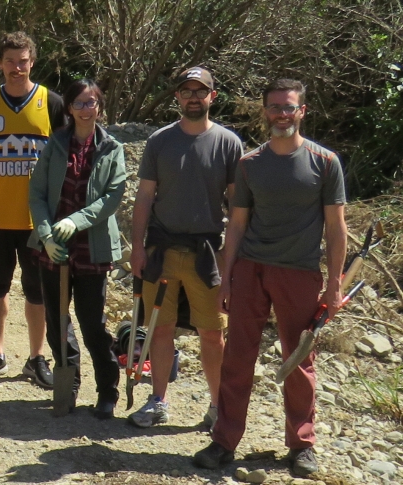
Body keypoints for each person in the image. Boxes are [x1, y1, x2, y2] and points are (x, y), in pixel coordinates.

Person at [194, 79, 346, 476]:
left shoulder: (324, 163)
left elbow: (336, 228)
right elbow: (238, 225)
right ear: (265, 112)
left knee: (298, 360)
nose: (282, 113)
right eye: (275, 107)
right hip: (250, 269)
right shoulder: (249, 164)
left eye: (289, 106)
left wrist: (334, 283)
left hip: (299, 273)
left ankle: (301, 446)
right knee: (237, 358)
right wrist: (226, 279)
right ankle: (224, 441)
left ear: (302, 111)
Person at [128, 66, 243, 428]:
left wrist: (231, 259)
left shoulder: (229, 143)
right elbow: (144, 197)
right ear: (177, 96)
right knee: (160, 330)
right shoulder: (159, 141)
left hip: (207, 253)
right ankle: (158, 400)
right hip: (160, 249)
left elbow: (238, 207)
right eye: (186, 91)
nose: (193, 97)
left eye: (200, 91)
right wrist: (136, 247)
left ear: (213, 96)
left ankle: (218, 408)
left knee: (212, 333)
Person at [0, 31, 65, 389]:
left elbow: (63, 159)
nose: (16, 67)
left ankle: (36, 357)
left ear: (32, 61)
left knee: (37, 289)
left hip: (37, 219)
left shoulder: (51, 103)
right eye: (9, 61)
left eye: (22, 60)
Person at [28, 79, 126, 418]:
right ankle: (67, 385)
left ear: (100, 106)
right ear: (69, 107)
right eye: (80, 103)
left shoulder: (111, 147)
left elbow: (112, 197)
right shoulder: (54, 144)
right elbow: (37, 194)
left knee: (91, 322)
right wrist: (46, 235)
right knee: (57, 320)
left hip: (92, 246)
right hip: (54, 246)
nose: (87, 109)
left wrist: (78, 221)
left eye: (92, 102)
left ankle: (106, 390)